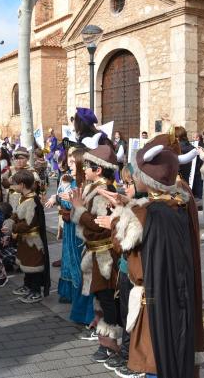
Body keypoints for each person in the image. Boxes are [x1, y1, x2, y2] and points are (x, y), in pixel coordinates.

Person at [103, 134, 198, 378]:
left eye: (137, 173)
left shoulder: (148, 213)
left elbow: (122, 243)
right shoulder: (176, 203)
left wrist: (115, 220)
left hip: (152, 297)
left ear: (148, 179)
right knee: (169, 345)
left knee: (153, 352)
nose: (133, 177)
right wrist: (128, 205)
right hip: (174, 293)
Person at [94, 164, 147, 377]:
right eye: (124, 183)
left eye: (128, 184)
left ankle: (132, 357)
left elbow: (123, 243)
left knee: (133, 317)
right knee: (126, 316)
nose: (125, 188)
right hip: (126, 270)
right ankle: (126, 353)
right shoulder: (135, 206)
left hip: (136, 272)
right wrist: (121, 206)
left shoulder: (143, 210)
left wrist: (114, 223)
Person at [70, 142, 120, 363]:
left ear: (98, 170)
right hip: (93, 254)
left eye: (87, 166)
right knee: (100, 298)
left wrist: (79, 209)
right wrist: (75, 207)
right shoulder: (94, 187)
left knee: (107, 298)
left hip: (104, 256)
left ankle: (112, 343)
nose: (84, 170)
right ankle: (104, 338)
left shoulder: (104, 192)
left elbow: (99, 225)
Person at [45, 150, 95, 328]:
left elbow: (84, 208)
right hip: (70, 225)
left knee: (78, 263)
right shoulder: (70, 180)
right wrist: (59, 197)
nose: (70, 165)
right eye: (70, 162)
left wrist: (67, 200)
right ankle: (71, 295)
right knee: (68, 258)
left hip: (79, 228)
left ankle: (82, 304)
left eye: (74, 163)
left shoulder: (85, 184)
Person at [3, 170, 51, 303]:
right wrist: (11, 221)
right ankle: (28, 285)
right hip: (25, 240)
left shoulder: (32, 201)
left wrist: (13, 227)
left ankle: (36, 291)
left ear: (22, 185)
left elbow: (28, 224)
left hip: (33, 241)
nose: (13, 186)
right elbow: (18, 213)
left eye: (15, 184)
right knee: (26, 263)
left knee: (33, 266)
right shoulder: (24, 197)